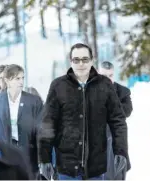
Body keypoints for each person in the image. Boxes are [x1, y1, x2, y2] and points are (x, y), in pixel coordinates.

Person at [39, 43, 129, 180]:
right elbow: (48, 124)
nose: (81, 64)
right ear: (71, 61)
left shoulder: (104, 85)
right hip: (66, 167)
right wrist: (45, 158)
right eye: (76, 60)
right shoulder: (58, 86)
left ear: (92, 60)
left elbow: (118, 121)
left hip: (95, 167)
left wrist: (121, 151)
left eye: (85, 59)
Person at [0, 64, 43, 179]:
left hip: (29, 154)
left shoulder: (34, 101)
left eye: (23, 78)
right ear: (7, 80)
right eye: (17, 78)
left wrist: (44, 158)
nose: (21, 82)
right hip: (4, 156)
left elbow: (41, 131)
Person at [99, 61, 132, 180]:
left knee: (117, 174)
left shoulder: (123, 91)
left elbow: (127, 110)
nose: (107, 79)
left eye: (110, 75)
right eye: (104, 76)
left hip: (116, 143)